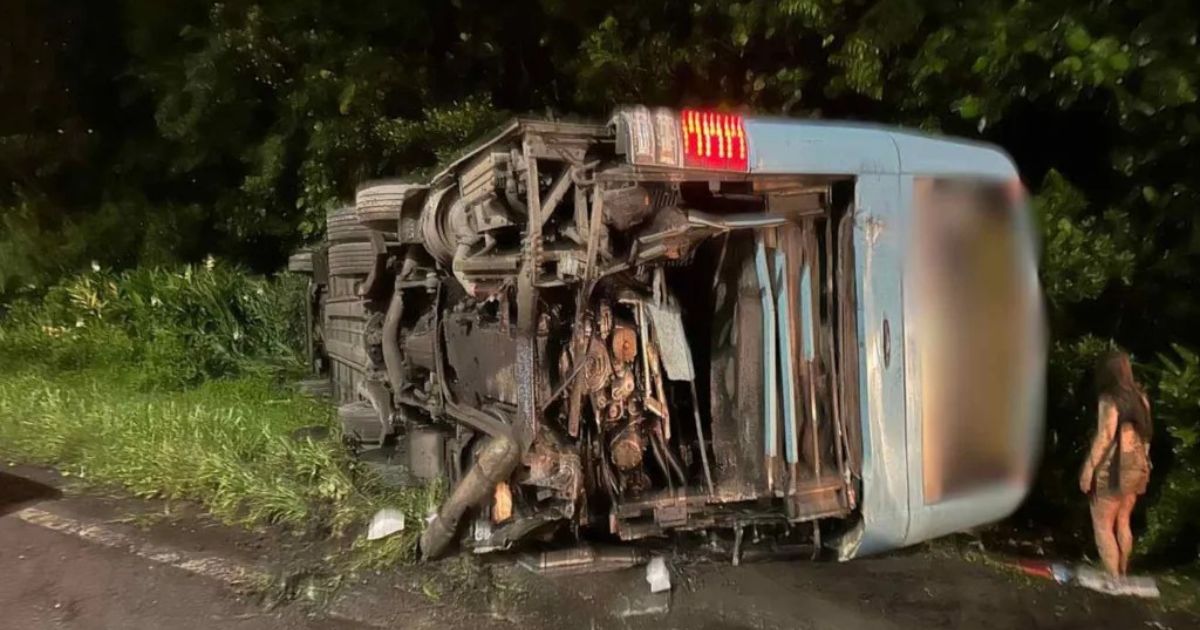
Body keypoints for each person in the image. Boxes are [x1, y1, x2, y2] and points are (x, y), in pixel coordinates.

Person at [1079, 350, 1152, 577]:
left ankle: (1113, 579)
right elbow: (1147, 435)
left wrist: (1089, 469)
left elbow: (1105, 436)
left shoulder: (1110, 399)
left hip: (1114, 466)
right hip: (1138, 463)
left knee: (1102, 524)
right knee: (1123, 520)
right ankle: (1122, 572)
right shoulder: (1142, 397)